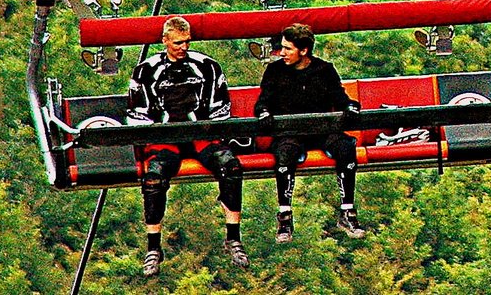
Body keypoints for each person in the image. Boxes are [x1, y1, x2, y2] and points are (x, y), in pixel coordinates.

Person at [125, 16, 246, 276]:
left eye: (187, 42)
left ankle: (233, 238)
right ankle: (153, 248)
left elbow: (220, 106)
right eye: (178, 43)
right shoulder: (147, 70)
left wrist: (210, 128)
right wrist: (154, 131)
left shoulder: (207, 66)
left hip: (201, 134)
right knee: (154, 178)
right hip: (166, 137)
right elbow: (137, 111)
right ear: (165, 40)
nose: (183, 47)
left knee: (231, 167)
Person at [255, 22, 368, 243]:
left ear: (304, 51)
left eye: (288, 49)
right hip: (290, 131)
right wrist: (264, 114)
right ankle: (285, 217)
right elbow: (263, 102)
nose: (282, 53)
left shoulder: (324, 70)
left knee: (345, 148)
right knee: (285, 154)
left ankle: (347, 211)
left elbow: (341, 98)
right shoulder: (275, 71)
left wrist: (351, 107)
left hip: (322, 130)